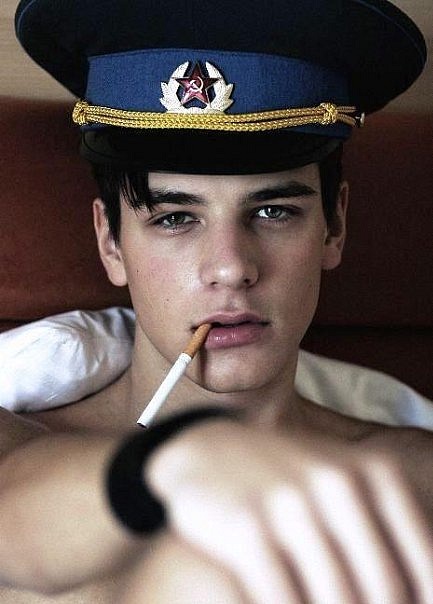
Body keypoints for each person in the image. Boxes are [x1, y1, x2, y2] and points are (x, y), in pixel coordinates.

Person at [1, 0, 432, 602]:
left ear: (334, 227)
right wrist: (175, 462)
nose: (231, 268)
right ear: (110, 243)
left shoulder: (409, 476)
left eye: (273, 211)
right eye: (176, 218)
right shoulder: (18, 444)